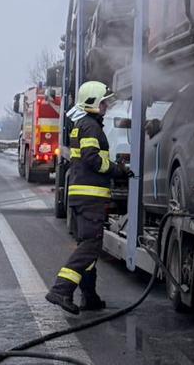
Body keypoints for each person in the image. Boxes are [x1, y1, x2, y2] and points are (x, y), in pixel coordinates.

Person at [46, 80, 133, 315]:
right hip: (89, 196)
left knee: (89, 245)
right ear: (93, 103)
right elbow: (92, 159)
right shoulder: (90, 127)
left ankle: (89, 296)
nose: (106, 106)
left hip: (82, 195)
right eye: (103, 102)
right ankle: (61, 289)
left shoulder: (84, 124)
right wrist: (118, 169)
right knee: (90, 246)